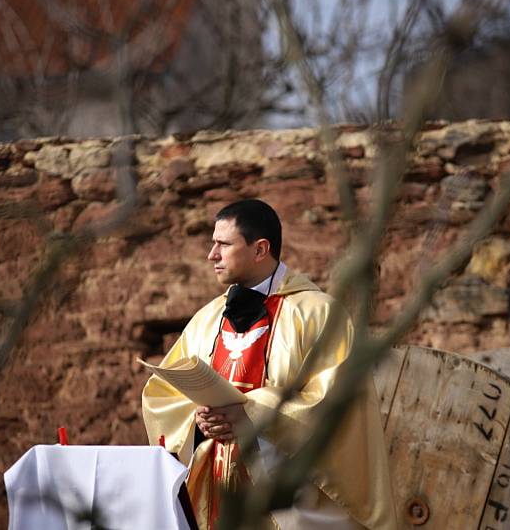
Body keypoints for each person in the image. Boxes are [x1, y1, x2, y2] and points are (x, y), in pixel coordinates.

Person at [141, 199, 397, 529]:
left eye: (223, 244)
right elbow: (163, 397)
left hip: (288, 500)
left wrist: (250, 414)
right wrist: (199, 422)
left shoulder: (319, 315)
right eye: (212, 244)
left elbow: (339, 403)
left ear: (260, 249)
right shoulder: (207, 319)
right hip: (217, 498)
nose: (211, 255)